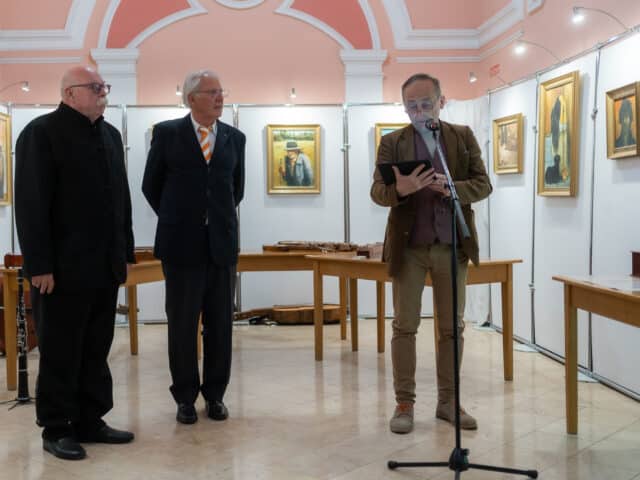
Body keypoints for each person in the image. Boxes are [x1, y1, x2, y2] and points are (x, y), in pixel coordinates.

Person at [14, 66, 135, 460]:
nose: (103, 93)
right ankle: (56, 427)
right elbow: (31, 204)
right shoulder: (41, 133)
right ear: (69, 94)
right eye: (95, 87)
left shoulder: (110, 135)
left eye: (104, 86)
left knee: (96, 348)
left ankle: (89, 419)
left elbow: (121, 200)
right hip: (61, 270)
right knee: (61, 349)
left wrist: (124, 254)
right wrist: (39, 264)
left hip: (103, 267)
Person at [371, 73, 492, 434]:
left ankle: (449, 402)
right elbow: (377, 192)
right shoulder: (392, 142)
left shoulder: (462, 136)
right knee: (404, 326)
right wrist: (402, 189)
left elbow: (483, 184)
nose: (419, 111)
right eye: (411, 106)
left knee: (452, 328)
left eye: (426, 103)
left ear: (442, 101)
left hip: (451, 246)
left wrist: (453, 189)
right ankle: (404, 404)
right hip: (409, 249)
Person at [142, 70, 245, 425]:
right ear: (191, 99)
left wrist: (213, 219)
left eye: (221, 91)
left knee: (221, 324)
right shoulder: (167, 133)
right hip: (181, 246)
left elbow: (236, 189)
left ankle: (215, 395)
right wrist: (182, 218)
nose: (219, 97)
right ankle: (185, 397)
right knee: (182, 324)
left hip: (221, 247)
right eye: (211, 92)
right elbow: (151, 185)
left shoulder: (234, 138)